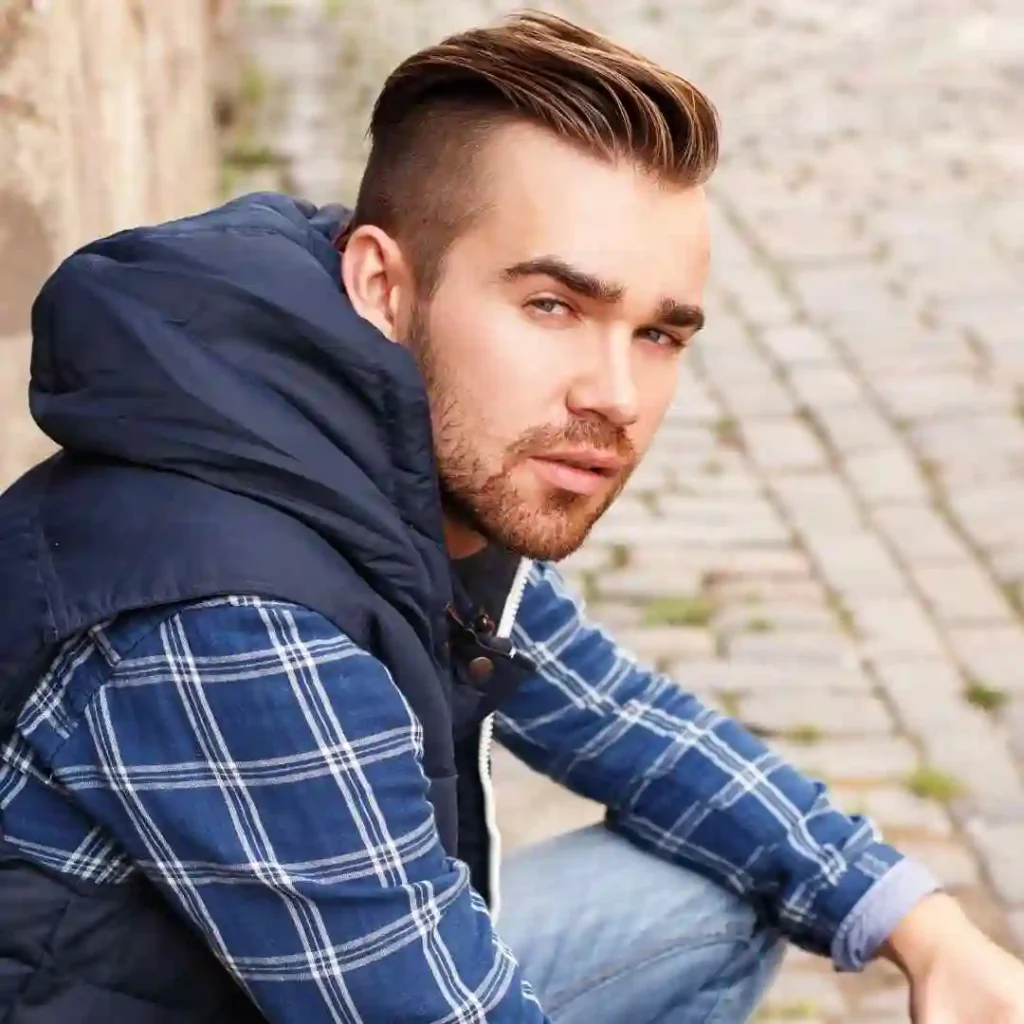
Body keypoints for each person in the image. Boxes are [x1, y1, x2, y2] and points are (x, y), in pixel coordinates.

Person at [0, 11, 1022, 1024]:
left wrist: (925, 926)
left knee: (712, 898)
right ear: (380, 283)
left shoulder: (384, 461)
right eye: (552, 306)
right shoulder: (235, 618)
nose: (615, 395)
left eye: (659, 331)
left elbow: (626, 720)